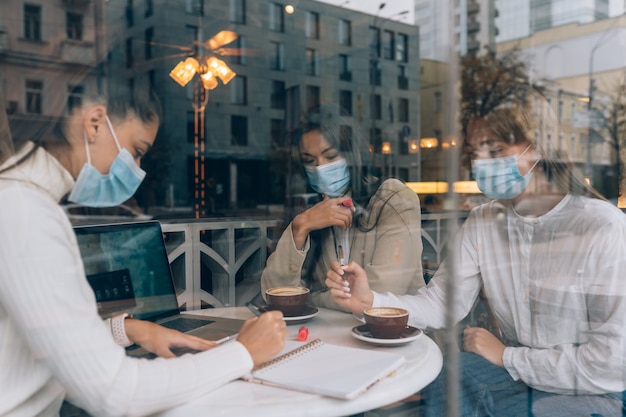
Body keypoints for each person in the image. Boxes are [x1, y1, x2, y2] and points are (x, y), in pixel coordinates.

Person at [326, 89, 626, 416]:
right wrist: (371, 302)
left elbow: (611, 364)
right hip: (519, 376)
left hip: (591, 387)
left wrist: (506, 357)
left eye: (495, 150)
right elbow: (441, 303)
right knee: (441, 374)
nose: (480, 164)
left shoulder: (600, 226)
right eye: (475, 152)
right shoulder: (483, 220)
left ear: (539, 145)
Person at [0, 81, 287, 416]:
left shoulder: (25, 202)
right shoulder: (23, 210)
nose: (136, 169)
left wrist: (125, 329)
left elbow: (36, 335)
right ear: (94, 123)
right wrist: (244, 352)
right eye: (136, 151)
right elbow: (118, 393)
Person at [261, 104, 424, 311]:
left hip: (392, 336)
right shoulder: (314, 211)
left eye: (330, 156)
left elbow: (380, 296)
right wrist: (300, 226)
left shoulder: (394, 199)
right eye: (309, 160)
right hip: (330, 336)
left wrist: (312, 299)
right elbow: (275, 294)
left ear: (352, 154)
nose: (320, 167)